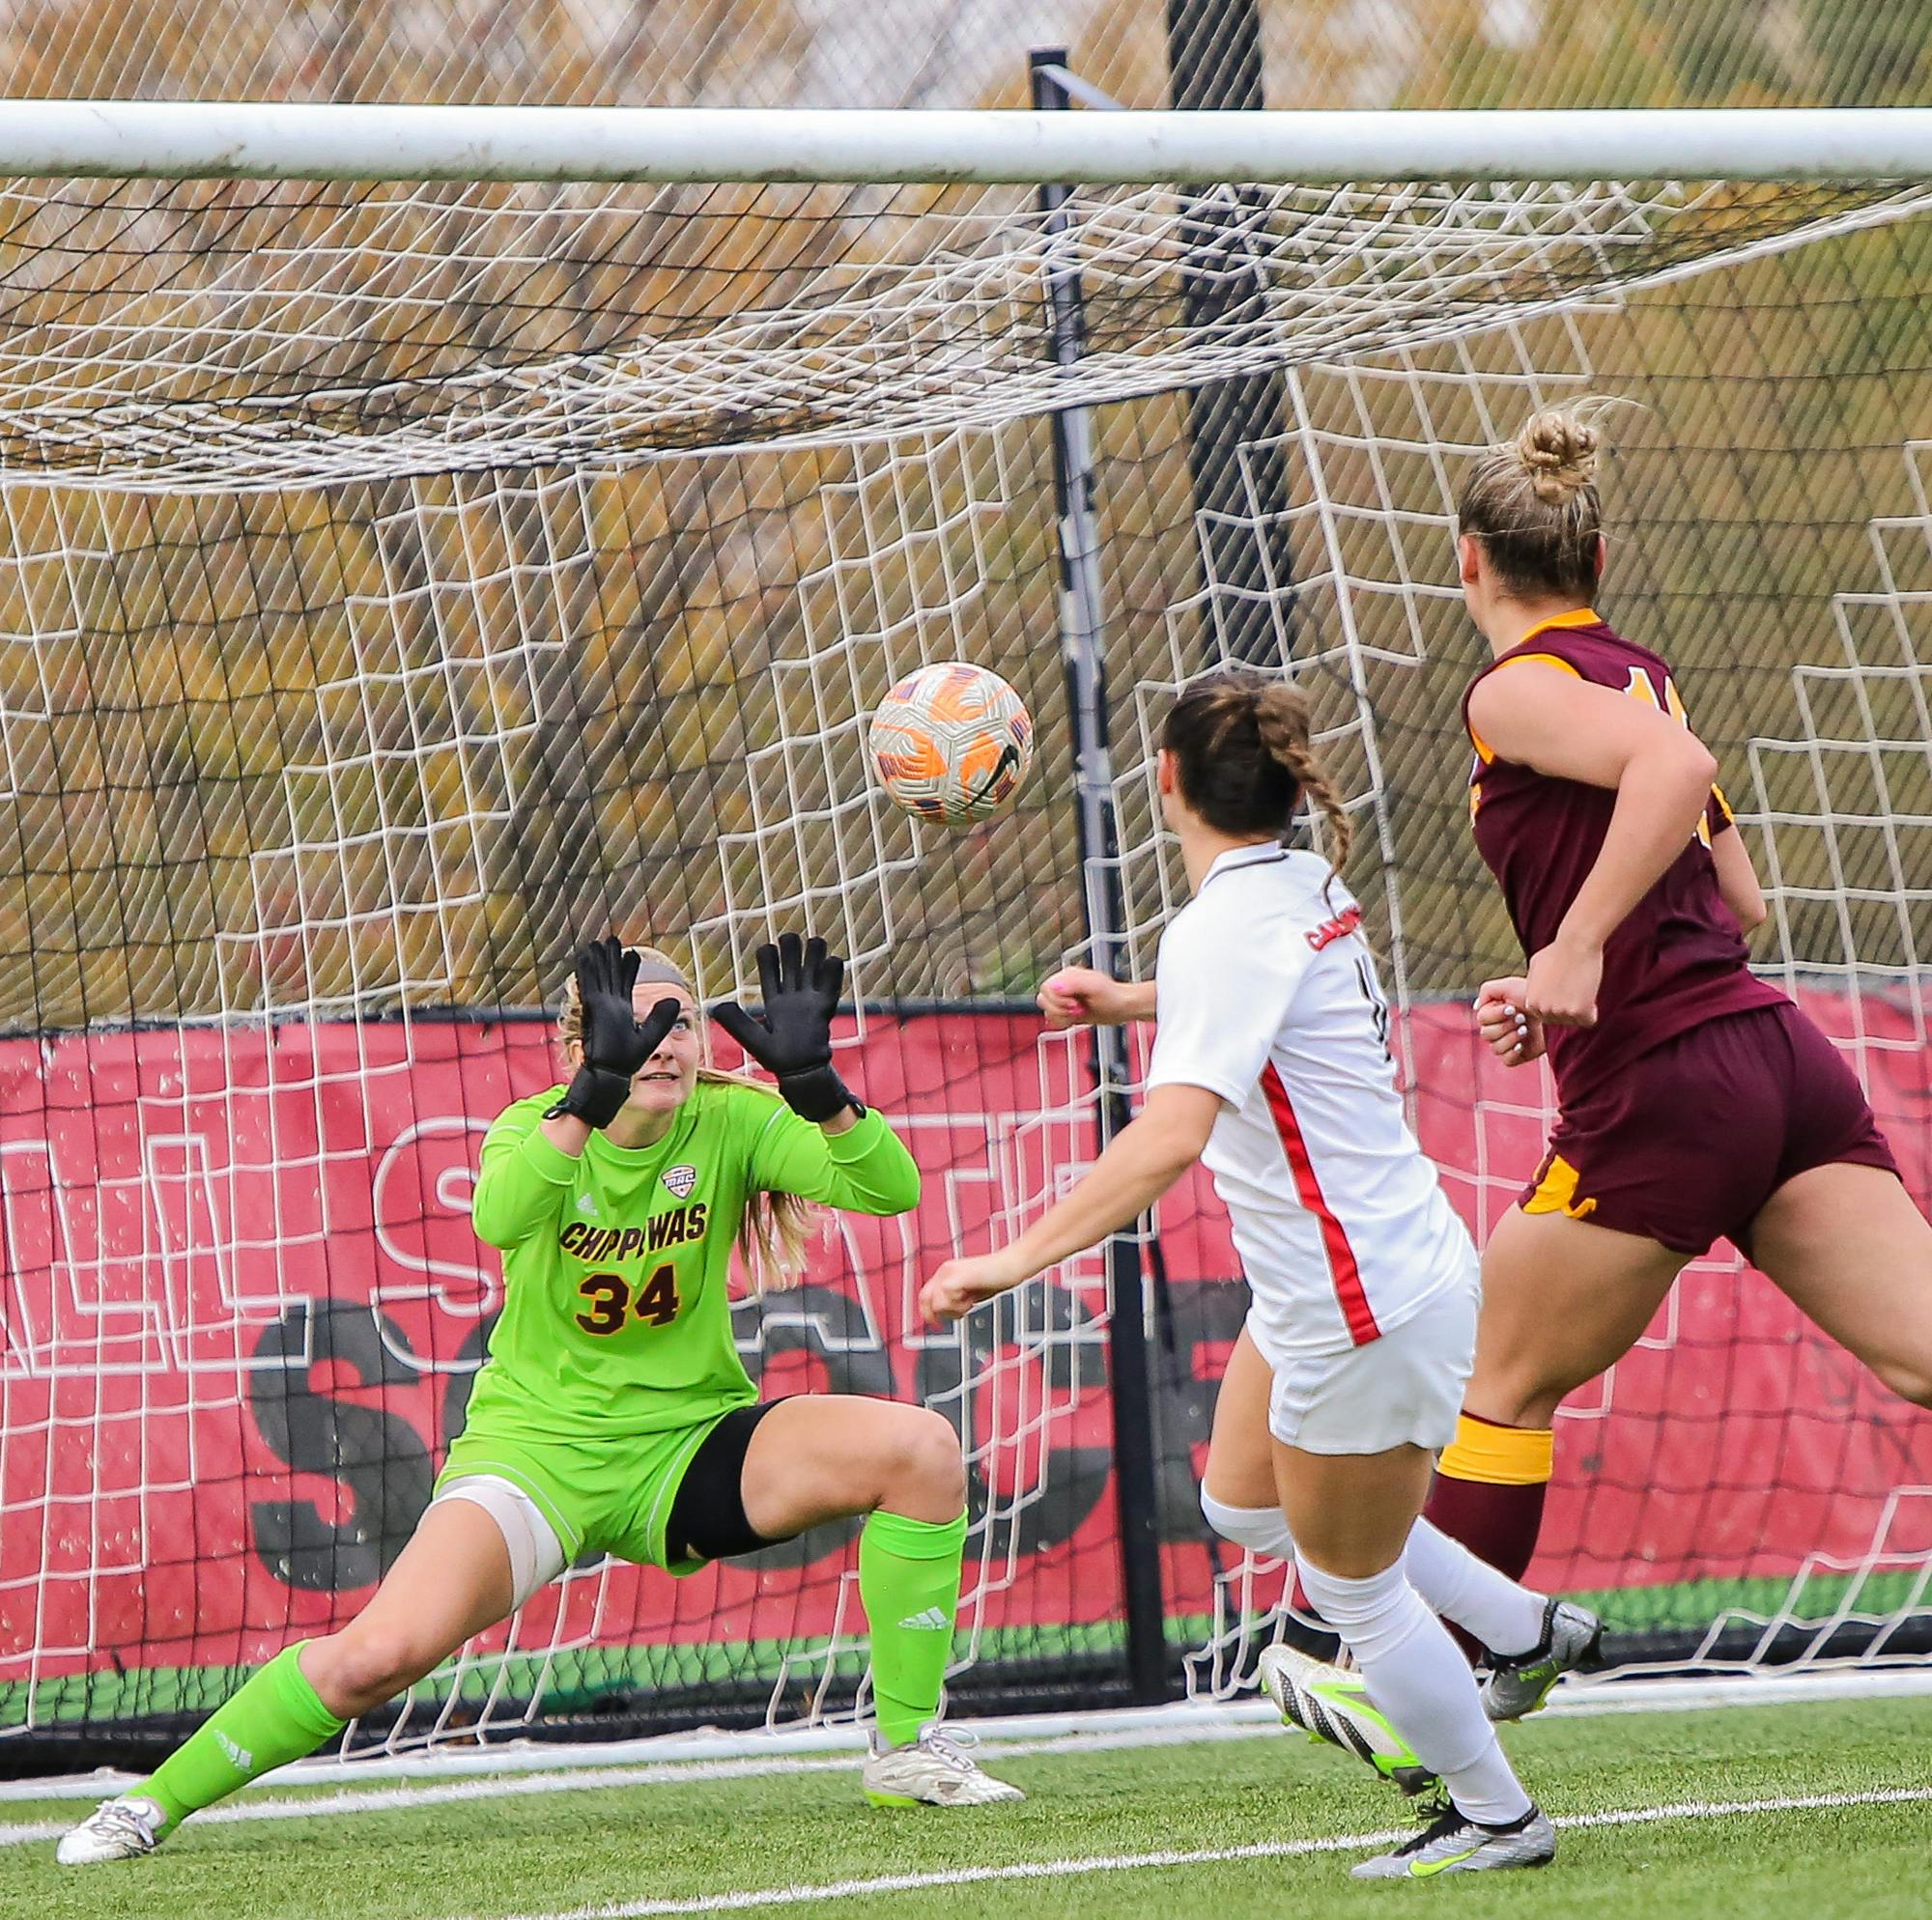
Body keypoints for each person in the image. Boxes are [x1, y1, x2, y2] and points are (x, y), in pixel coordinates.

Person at [61, 931, 1018, 1867]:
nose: (668, 1040)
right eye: (642, 1024)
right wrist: (589, 1094)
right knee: (372, 1657)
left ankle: (905, 1750)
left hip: (685, 1449)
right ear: (584, 1043)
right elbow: (499, 1214)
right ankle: (149, 1800)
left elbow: (890, 1189)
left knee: (921, 1447)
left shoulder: (735, 1121)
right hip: (537, 1458)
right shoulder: (532, 1127)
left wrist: (817, 1088)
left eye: (681, 1024)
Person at [926, 672, 1562, 1881]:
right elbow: (1250, 991)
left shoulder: (1223, 923)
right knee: (1236, 1499)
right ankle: (1518, 1625)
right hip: (1365, 1269)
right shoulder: (1300, 882)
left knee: (1351, 1591)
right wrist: (1127, 1000)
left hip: (1356, 1296)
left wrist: (1007, 1259)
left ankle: (1494, 1812)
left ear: (1161, 781)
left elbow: (1166, 1137)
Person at [1420, 405, 1932, 1712]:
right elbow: (1740, 904)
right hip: (1771, 1057)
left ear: (1468, 559)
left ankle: (1445, 1691)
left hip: (1666, 1083)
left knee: (1499, 1380)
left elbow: (1680, 769)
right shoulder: (1634, 668)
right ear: (1604, 556)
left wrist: (1579, 946)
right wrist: (1558, 980)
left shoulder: (1514, 687)